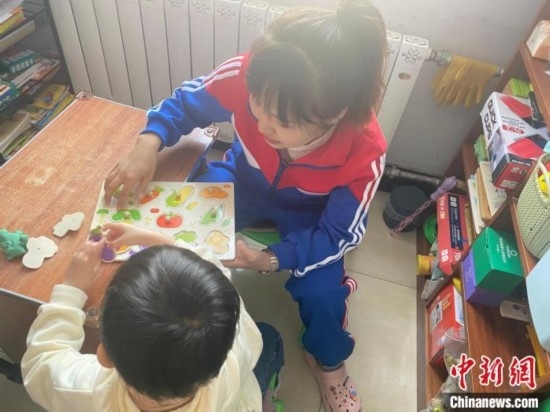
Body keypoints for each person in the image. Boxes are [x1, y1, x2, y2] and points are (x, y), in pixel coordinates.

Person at [103, 1, 387, 410]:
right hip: (242, 180)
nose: (263, 123)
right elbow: (185, 104)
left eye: (283, 121)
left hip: (311, 215)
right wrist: (147, 143)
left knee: (322, 293)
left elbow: (339, 233)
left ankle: (329, 361)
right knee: (173, 216)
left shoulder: (364, 147)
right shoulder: (248, 73)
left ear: (335, 116)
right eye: (257, 105)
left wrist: (270, 259)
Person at [21, 223, 284, 412]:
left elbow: (41, 363)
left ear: (104, 355)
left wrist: (71, 288)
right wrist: (156, 238)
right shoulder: (233, 346)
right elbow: (214, 270)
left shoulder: (90, 391)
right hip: (236, 400)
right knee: (270, 337)